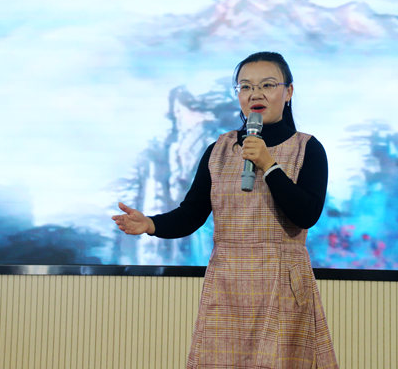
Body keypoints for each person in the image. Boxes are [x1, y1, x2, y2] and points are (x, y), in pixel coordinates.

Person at [112, 51, 339, 368]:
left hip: (281, 284)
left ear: (288, 92)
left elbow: (306, 214)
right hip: (228, 284)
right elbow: (191, 214)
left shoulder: (308, 148)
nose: (255, 94)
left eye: (267, 85)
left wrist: (268, 164)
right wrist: (150, 224)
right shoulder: (218, 150)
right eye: (245, 87)